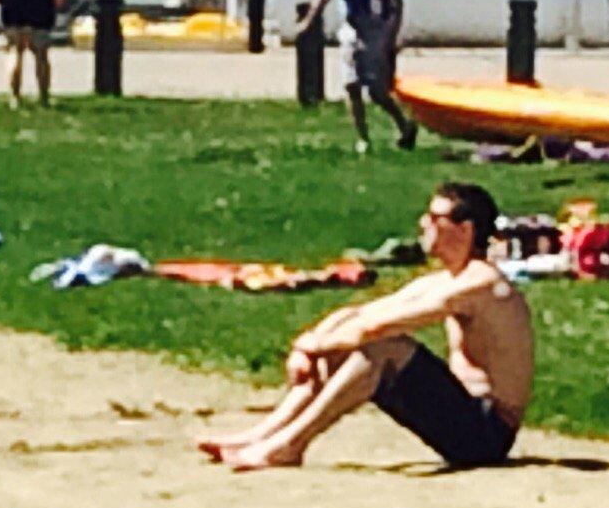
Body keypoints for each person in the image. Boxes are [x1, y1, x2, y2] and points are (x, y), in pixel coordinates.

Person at [196, 182, 533, 472]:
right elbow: (361, 313)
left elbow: (376, 329)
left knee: (385, 348)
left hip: (486, 433)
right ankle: (263, 435)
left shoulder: (481, 284)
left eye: (434, 218)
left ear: (465, 229)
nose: (422, 224)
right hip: (463, 418)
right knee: (342, 350)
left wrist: (311, 347)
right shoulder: (446, 280)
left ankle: (290, 444)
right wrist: (311, 342)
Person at [292, 0, 423, 155]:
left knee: (376, 90)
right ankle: (363, 138)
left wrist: (393, 31)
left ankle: (405, 126)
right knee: (351, 84)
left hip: (374, 28)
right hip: (351, 28)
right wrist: (309, 21)